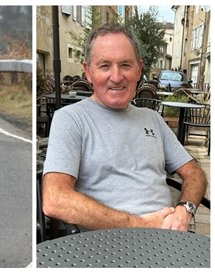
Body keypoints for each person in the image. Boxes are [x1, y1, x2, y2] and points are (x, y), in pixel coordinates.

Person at [42, 23, 207, 232]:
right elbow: (55, 199)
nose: (117, 76)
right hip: (107, 246)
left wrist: (185, 210)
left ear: (139, 69)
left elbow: (195, 172)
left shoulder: (153, 119)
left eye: (125, 65)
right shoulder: (71, 119)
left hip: (167, 238)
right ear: (88, 71)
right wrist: (139, 224)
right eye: (104, 66)